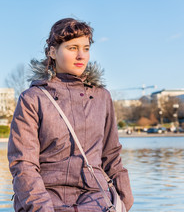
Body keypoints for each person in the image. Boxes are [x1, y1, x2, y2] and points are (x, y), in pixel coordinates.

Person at [7, 18, 134, 211]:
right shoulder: (32, 98)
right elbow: (23, 164)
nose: (81, 55)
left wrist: (124, 199)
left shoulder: (101, 97)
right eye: (72, 48)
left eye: (86, 48)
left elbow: (111, 155)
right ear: (52, 52)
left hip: (97, 200)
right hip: (46, 201)